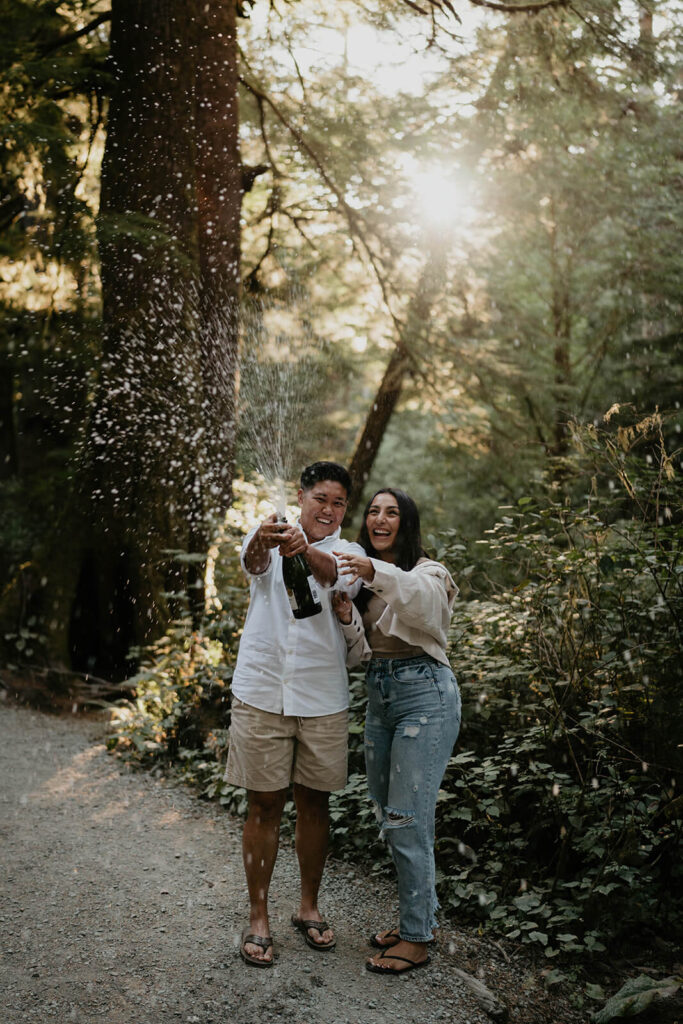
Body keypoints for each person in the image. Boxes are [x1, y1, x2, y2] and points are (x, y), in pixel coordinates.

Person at [225, 461, 365, 967]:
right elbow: (255, 563)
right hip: (262, 690)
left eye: (338, 503)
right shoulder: (268, 531)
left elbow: (335, 576)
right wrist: (266, 539)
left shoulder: (351, 551)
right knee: (263, 803)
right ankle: (258, 916)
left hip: (322, 697)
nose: (327, 510)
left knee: (314, 804)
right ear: (300, 496)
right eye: (320, 499)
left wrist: (307, 552)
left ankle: (308, 907)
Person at [331, 488, 461, 976]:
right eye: (374, 512)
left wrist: (371, 571)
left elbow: (424, 605)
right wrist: (347, 619)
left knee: (408, 818)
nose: (381, 519)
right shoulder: (364, 586)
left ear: (407, 524)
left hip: (425, 696)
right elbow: (359, 656)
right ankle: (417, 918)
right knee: (393, 816)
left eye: (393, 513)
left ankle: (417, 939)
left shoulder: (429, 573)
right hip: (380, 696)